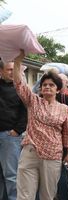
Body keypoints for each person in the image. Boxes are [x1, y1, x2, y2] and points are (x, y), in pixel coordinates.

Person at [13, 51, 68, 200]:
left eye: (51, 85)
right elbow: (19, 84)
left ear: (58, 89)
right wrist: (18, 62)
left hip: (53, 154)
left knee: (47, 195)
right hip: (30, 152)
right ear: (40, 88)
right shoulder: (33, 101)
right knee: (25, 195)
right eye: (44, 85)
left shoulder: (64, 109)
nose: (47, 87)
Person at [0, 60, 27, 200]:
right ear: (1, 71)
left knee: (11, 175)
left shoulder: (20, 89)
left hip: (10, 136)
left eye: (14, 69)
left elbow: (26, 112)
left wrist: (17, 130)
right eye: (9, 69)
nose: (12, 72)